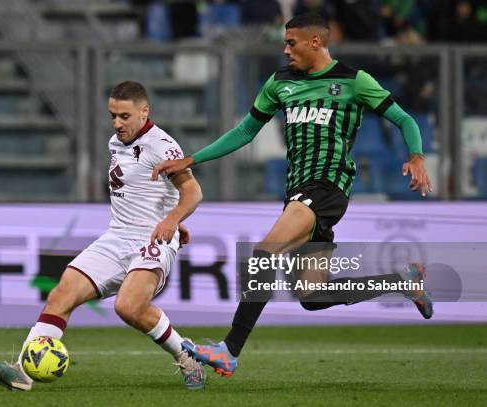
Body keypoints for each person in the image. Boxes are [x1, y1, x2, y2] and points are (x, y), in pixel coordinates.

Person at [151, 12, 433, 378]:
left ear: (315, 42)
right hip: (298, 192)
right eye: (285, 43)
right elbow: (244, 132)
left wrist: (416, 156)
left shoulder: (354, 81)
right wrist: (194, 158)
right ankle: (402, 282)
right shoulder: (279, 82)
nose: (285, 50)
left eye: (291, 43)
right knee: (312, 297)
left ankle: (229, 350)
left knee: (264, 253)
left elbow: (405, 119)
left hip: (327, 187)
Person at [0, 81, 206, 391]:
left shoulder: (162, 145)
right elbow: (142, 190)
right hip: (117, 237)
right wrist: (170, 214)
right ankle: (22, 371)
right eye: (113, 115)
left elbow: (192, 192)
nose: (117, 123)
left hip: (152, 241)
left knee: (128, 307)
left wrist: (173, 219)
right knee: (61, 294)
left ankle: (186, 355)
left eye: (124, 116)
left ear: (144, 111)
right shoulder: (116, 142)